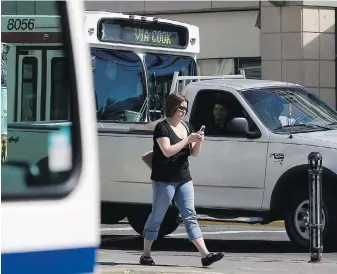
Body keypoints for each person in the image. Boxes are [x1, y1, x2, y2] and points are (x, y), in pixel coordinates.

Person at [140, 93, 224, 267]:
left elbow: (194, 153)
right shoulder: (162, 128)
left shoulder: (186, 126)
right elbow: (167, 151)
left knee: (190, 215)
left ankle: (205, 255)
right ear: (172, 108)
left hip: (184, 178)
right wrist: (188, 139)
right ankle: (146, 254)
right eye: (181, 108)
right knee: (158, 215)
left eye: (186, 108)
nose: (184, 112)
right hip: (164, 180)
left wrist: (198, 140)